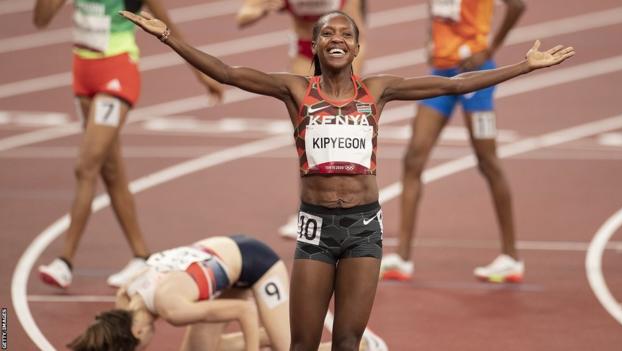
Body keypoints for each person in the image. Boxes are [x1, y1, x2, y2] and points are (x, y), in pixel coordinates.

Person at [121, 9, 573, 350]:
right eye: (327, 34)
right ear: (315, 46)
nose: (336, 39)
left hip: (363, 231)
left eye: (345, 35)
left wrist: (523, 66)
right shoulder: (296, 90)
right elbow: (228, 73)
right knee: (301, 343)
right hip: (315, 231)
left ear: (356, 48)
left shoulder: (377, 90)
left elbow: (456, 85)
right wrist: (168, 38)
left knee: (347, 343)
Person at [33, 0, 224, 289]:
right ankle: (140, 256)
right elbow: (40, 19)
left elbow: (170, 30)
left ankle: (65, 261)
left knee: (86, 165)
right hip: (82, 73)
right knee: (111, 172)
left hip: (117, 73)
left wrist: (203, 76)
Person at [379, 0, 528, 283]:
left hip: (476, 73)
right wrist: (429, 40)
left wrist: (490, 49)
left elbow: (517, 6)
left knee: (488, 161)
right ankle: (402, 257)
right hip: (441, 72)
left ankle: (511, 257)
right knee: (414, 156)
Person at [67, 235, 387, 351]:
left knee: (290, 349)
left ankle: (364, 346)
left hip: (257, 264)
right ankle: (272, 333)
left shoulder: (173, 309)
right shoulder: (124, 295)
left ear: (137, 330)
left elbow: (243, 312)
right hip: (222, 261)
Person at [236, 0, 366, 75]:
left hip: (340, 46)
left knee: (345, 102)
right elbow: (242, 17)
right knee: (305, 104)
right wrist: (263, 10)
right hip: (306, 48)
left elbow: (356, 25)